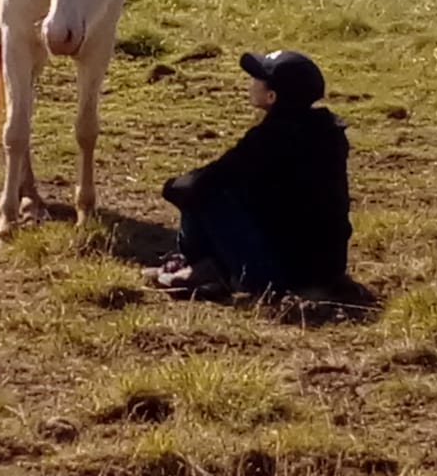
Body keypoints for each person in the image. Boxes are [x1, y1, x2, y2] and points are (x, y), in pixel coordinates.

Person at [146, 49, 353, 299]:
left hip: (278, 274)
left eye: (257, 79)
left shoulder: (270, 139)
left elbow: (207, 181)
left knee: (203, 193)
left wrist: (173, 186)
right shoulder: (327, 132)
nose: (250, 83)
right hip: (326, 269)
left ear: (271, 96)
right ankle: (216, 267)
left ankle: (204, 268)